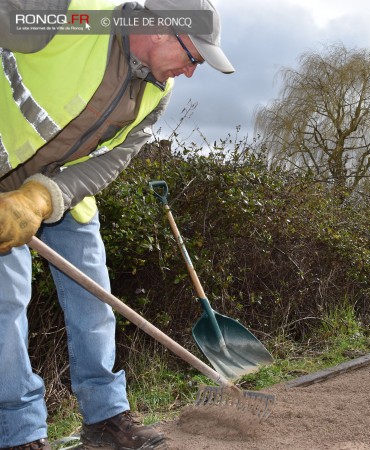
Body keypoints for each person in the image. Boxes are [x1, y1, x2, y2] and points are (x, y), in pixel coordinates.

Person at [0, 0, 234, 448]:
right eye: (193, 58)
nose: (191, 72)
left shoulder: (157, 95)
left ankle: (106, 420)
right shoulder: (75, 16)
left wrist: (42, 196)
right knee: (6, 305)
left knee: (95, 300)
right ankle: (17, 434)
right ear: (163, 30)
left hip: (61, 195)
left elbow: (111, 163)